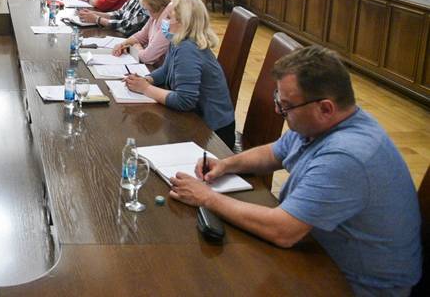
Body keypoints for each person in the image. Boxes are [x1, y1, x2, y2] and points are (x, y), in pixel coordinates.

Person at [168, 46, 421, 296]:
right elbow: (274, 152)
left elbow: (283, 231)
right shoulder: (323, 124)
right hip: (318, 255)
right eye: (279, 100)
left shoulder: (348, 156)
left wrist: (207, 197)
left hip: (356, 284)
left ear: (325, 108)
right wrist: (226, 164)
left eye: (286, 106)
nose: (278, 111)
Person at [124, 0, 236, 148]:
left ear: (183, 23)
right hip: (194, 119)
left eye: (169, 17)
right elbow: (165, 71)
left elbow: (185, 100)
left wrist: (145, 89)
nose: (164, 21)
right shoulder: (178, 41)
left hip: (213, 133)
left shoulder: (187, 49)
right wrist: (146, 79)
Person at [112, 0, 173, 66]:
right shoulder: (155, 16)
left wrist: (137, 48)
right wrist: (123, 44)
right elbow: (140, 36)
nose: (139, 0)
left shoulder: (168, 22)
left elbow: (147, 57)